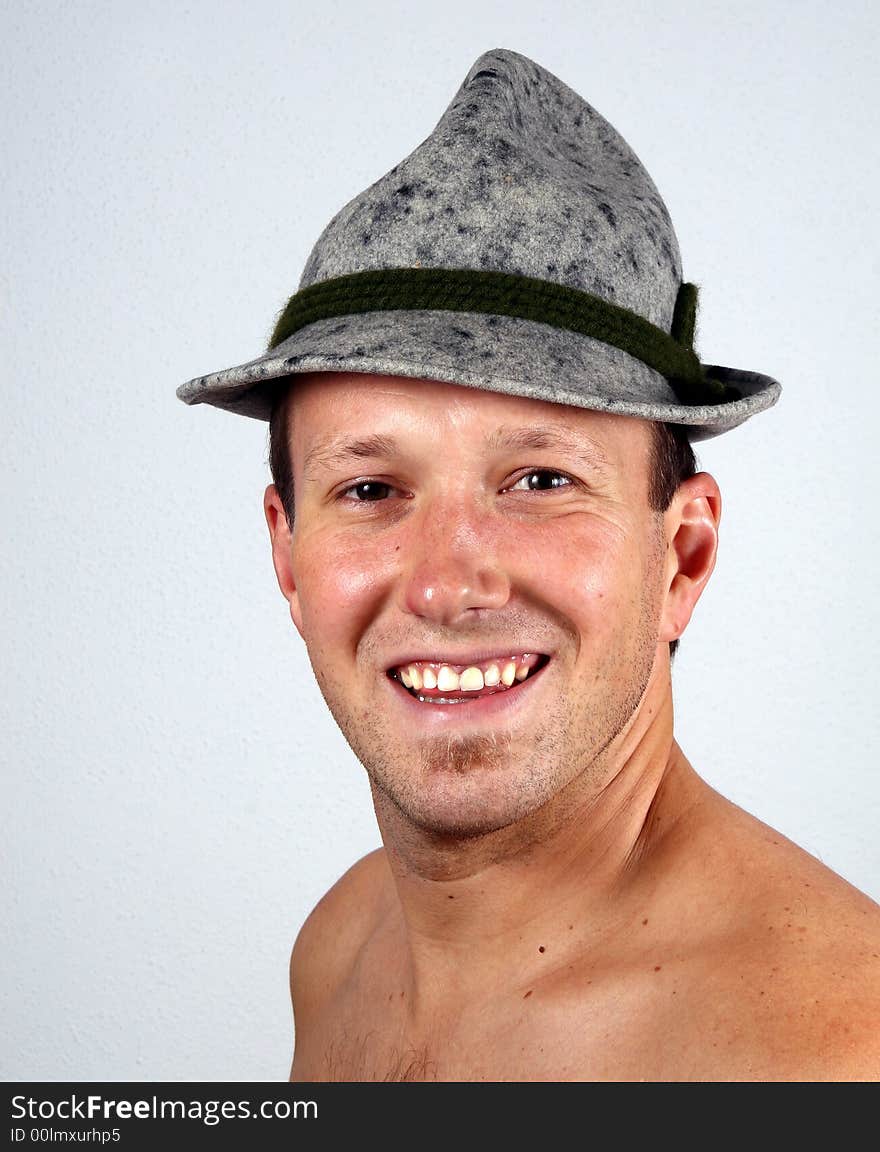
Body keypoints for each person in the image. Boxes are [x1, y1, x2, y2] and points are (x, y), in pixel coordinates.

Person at [177, 48, 880, 1081]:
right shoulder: (337, 950)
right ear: (288, 553)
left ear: (680, 555)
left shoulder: (825, 1053)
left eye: (540, 481)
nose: (446, 585)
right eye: (371, 490)